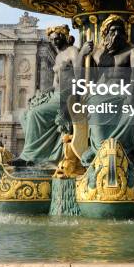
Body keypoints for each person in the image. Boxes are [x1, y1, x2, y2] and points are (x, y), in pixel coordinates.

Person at [19, 25, 92, 165]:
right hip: (55, 94)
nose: (54, 42)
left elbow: (79, 77)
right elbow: (54, 85)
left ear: (64, 37)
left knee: (35, 114)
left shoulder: (73, 51)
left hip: (65, 95)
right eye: (52, 40)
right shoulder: (58, 57)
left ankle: (30, 156)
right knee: (24, 114)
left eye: (56, 38)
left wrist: (82, 54)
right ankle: (39, 154)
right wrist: (40, 94)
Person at [81, 15, 134, 165]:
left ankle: (125, 151)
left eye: (120, 31)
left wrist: (131, 91)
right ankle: (99, 150)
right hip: (101, 92)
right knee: (95, 109)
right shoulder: (95, 51)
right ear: (106, 33)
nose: (116, 34)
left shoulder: (132, 50)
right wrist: (82, 53)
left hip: (124, 89)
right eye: (113, 30)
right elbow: (82, 75)